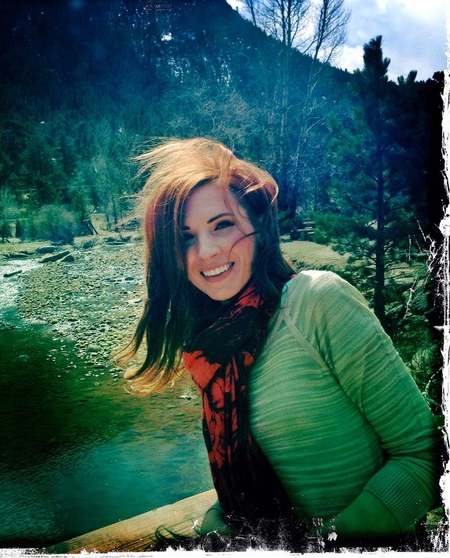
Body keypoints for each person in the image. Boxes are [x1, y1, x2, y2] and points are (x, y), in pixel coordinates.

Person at [121, 137, 441, 550]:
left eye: (222, 225)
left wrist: (326, 546)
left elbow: (423, 454)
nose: (207, 251)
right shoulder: (211, 349)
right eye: (186, 237)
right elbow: (254, 478)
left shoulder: (317, 301)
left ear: (257, 225)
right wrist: (218, 520)